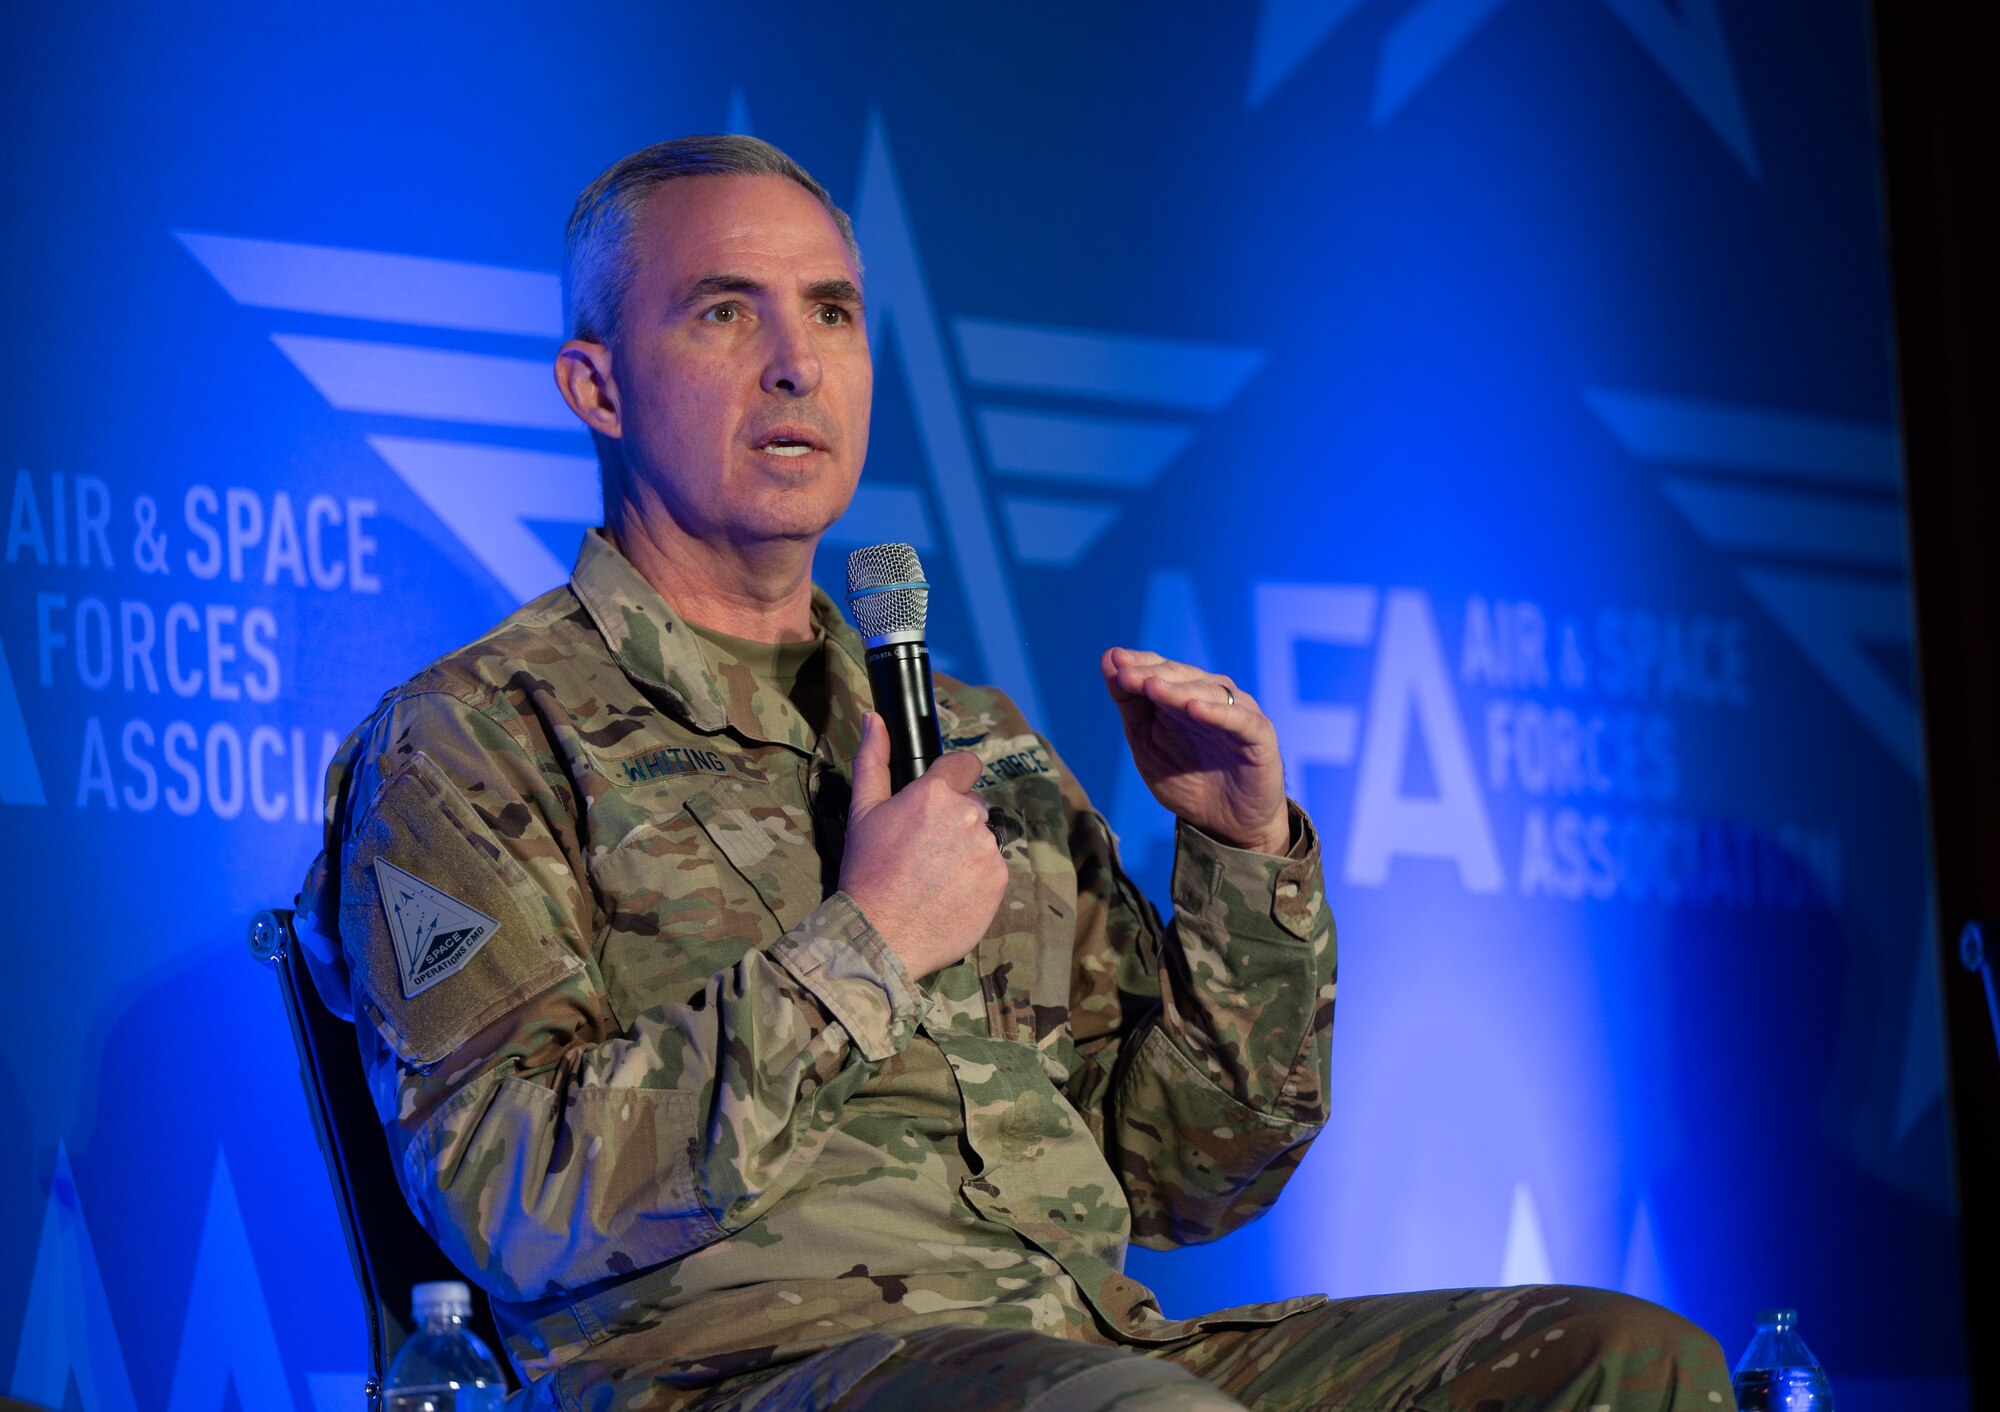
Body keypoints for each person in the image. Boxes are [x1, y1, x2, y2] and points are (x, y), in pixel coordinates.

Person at [297, 135, 1735, 1411]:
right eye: (724, 312)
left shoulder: (963, 736)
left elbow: (1188, 1172)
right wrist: (864, 948)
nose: (796, 363)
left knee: (1629, 1364)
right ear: (595, 387)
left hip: (1084, 1349)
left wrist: (1238, 865)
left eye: (835, 314)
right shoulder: (478, 738)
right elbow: (515, 1191)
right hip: (744, 1372)